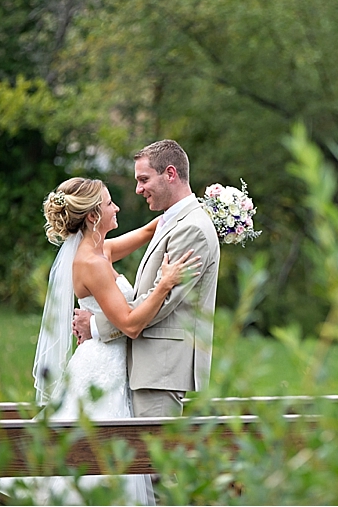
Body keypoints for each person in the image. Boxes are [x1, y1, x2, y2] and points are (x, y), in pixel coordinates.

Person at [16, 176, 200, 505]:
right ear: (93, 216)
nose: (116, 207)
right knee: (100, 458)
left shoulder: (101, 250)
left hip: (106, 359)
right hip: (103, 367)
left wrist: (200, 207)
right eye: (109, 203)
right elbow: (129, 324)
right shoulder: (92, 264)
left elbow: (148, 231)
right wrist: (165, 283)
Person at [73, 139, 221, 418]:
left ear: (170, 174)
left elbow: (161, 301)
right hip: (143, 367)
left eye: (143, 179)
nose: (137, 189)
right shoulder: (174, 220)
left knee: (150, 460)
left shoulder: (192, 230)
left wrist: (94, 325)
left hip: (160, 368)